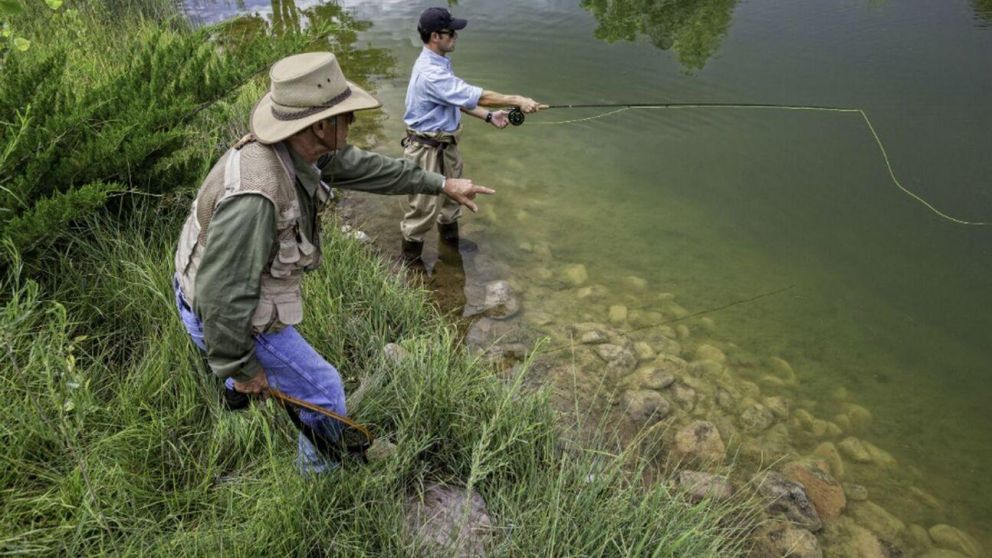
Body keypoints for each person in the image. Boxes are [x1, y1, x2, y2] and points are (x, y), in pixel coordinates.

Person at [172, 52, 494, 473]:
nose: (353, 123)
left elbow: (366, 168)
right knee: (324, 389)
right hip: (219, 313)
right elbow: (221, 296)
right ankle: (320, 478)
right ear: (320, 126)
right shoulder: (257, 194)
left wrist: (440, 183)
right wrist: (241, 366)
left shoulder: (299, 150)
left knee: (291, 381)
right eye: (347, 115)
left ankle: (239, 388)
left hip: (218, 298)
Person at [400, 6, 546, 263]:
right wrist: (517, 100)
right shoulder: (431, 72)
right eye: (451, 32)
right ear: (436, 36)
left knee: (452, 203)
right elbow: (476, 95)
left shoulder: (438, 63)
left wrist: (488, 116)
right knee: (423, 210)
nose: (456, 35)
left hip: (446, 145)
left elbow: (454, 100)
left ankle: (450, 249)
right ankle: (412, 267)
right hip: (426, 150)